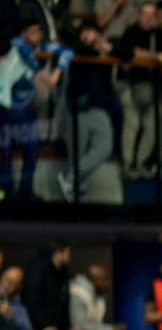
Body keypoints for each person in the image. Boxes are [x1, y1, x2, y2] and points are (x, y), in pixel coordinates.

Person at [0, 19, 72, 202]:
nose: (37, 35)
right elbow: (25, 63)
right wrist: (43, 77)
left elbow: (67, 51)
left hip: (25, 108)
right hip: (6, 106)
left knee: (31, 149)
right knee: (5, 151)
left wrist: (56, 73)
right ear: (23, 34)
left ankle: (26, 190)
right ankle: (5, 192)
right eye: (33, 32)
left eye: (39, 32)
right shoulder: (17, 46)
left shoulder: (38, 47)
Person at [58, 19, 117, 203]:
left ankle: (70, 179)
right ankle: (76, 189)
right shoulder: (75, 48)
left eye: (93, 31)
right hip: (78, 108)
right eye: (86, 31)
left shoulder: (107, 49)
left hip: (99, 107)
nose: (89, 35)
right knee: (77, 151)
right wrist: (97, 48)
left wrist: (108, 48)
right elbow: (80, 49)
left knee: (105, 147)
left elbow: (127, 54)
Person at [115, 2, 162, 180]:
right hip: (130, 85)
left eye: (152, 15)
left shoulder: (159, 35)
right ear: (139, 16)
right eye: (145, 14)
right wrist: (156, 56)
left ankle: (141, 162)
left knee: (152, 125)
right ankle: (128, 164)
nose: (148, 18)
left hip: (151, 87)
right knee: (133, 123)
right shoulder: (131, 32)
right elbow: (131, 52)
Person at [23, 240, 75, 330]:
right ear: (58, 253)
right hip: (41, 329)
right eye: (67, 253)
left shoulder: (63, 273)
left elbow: (63, 303)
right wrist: (44, 326)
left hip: (56, 328)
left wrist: (67, 326)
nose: (69, 257)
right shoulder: (39, 271)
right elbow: (33, 301)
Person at [69, 264, 127, 330]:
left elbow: (96, 324)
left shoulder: (99, 296)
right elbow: (79, 326)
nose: (107, 284)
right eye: (104, 279)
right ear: (93, 280)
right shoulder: (78, 294)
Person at [0, 265, 31, 330]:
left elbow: (27, 329)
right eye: (5, 279)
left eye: (11, 283)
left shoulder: (18, 306)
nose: (6, 285)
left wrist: (9, 317)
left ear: (17, 288)